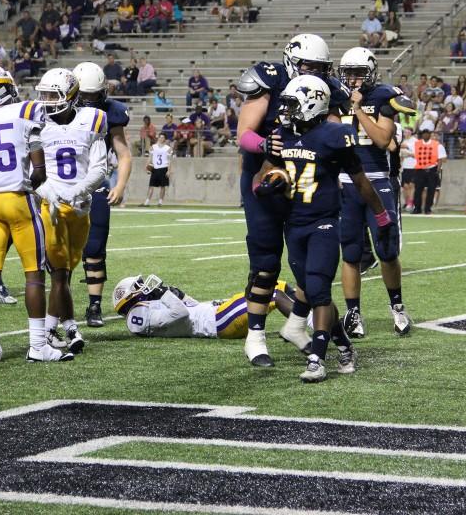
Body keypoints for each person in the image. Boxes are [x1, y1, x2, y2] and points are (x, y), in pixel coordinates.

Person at [256, 75, 397, 382]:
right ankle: (344, 346)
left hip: (324, 222)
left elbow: (359, 179)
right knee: (313, 291)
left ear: (312, 103)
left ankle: (318, 358)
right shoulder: (282, 134)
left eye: (293, 105)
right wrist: (267, 184)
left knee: (318, 289)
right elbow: (261, 177)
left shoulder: (335, 135)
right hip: (292, 225)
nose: (287, 111)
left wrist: (381, 214)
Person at [235, 33, 349, 367]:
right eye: (308, 65)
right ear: (292, 62)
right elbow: (244, 133)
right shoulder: (270, 82)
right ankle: (255, 336)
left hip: (306, 184)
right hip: (266, 181)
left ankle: (297, 325)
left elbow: (332, 134)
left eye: (320, 67)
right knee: (267, 259)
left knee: (309, 268)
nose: (314, 71)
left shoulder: (327, 91)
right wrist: (265, 147)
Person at [0, 66, 72, 363]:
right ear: (3, 88)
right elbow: (40, 170)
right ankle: (37, 346)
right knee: (33, 276)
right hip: (17, 200)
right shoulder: (26, 111)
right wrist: (23, 187)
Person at [337, 47, 414, 338]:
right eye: (349, 73)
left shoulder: (383, 96)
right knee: (351, 253)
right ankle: (353, 313)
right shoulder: (335, 97)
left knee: (387, 250)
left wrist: (357, 109)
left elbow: (382, 139)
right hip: (346, 182)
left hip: (379, 181)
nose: (354, 79)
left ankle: (397, 307)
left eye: (359, 72)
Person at [33, 68, 108, 355]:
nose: (47, 100)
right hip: (50, 206)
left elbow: (100, 168)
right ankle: (63, 329)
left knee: (65, 272)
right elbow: (31, 171)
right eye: (44, 94)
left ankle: (58, 327)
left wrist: (78, 192)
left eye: (53, 94)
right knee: (59, 273)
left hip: (80, 208)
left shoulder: (92, 120)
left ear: (71, 96)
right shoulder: (37, 123)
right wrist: (51, 194)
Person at [71, 62, 133, 327]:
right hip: (64, 184)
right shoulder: (56, 109)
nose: (87, 102)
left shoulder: (111, 112)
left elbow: (124, 153)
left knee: (95, 246)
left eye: (92, 96)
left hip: (96, 182)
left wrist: (119, 185)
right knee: (57, 250)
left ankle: (94, 306)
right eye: (83, 96)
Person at [112, 275, 304, 345]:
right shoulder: (137, 317)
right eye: (138, 286)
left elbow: (192, 308)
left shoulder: (149, 309)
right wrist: (164, 293)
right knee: (271, 295)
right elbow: (181, 313)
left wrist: (181, 295)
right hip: (219, 321)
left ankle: (301, 322)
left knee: (274, 284)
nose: (145, 287)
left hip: (217, 314)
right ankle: (307, 326)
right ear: (129, 298)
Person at [143, 133, 172, 206]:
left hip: (163, 167)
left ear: (165, 139)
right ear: (158, 138)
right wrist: (146, 166)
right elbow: (150, 157)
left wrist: (169, 170)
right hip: (155, 168)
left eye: (163, 137)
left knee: (163, 186)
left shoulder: (168, 148)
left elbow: (169, 160)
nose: (161, 139)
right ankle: (147, 201)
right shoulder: (153, 147)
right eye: (160, 137)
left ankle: (160, 201)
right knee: (151, 185)